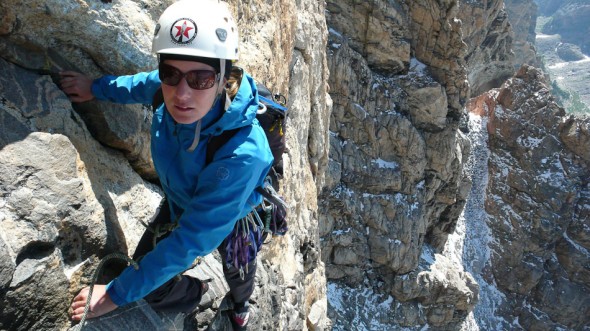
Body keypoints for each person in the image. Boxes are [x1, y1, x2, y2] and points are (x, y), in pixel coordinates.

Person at [60, 1, 273, 329]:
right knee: (144, 275)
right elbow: (141, 85)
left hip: (236, 215)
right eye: (170, 73)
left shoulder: (243, 153)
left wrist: (115, 295)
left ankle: (226, 299)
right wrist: (95, 88)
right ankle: (197, 288)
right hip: (178, 201)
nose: (181, 93)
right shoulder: (168, 87)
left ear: (223, 78)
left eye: (200, 79)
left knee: (239, 267)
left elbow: (192, 238)